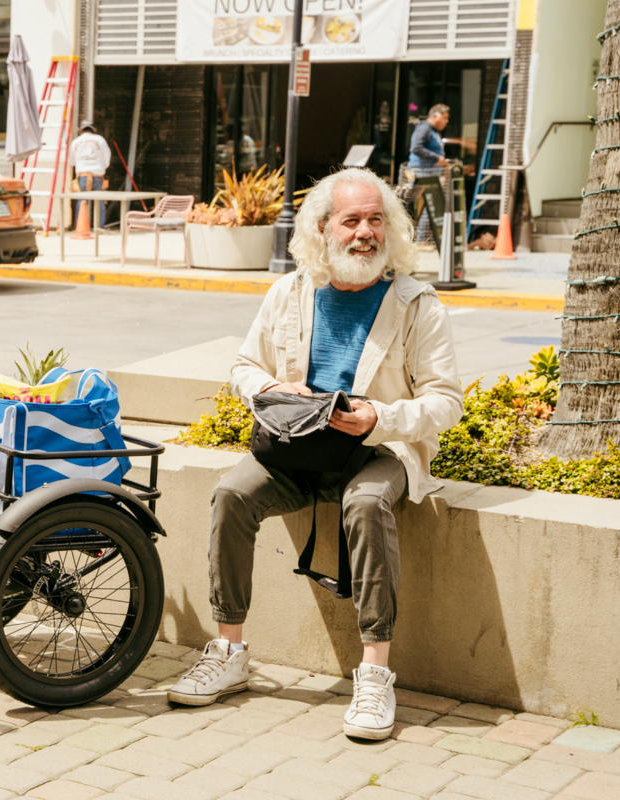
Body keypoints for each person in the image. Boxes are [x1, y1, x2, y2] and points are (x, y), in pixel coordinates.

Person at [166, 168, 464, 741]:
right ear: (323, 228)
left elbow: (446, 401)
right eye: (351, 220)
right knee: (231, 494)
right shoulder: (291, 291)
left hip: (378, 449)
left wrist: (380, 416)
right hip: (296, 446)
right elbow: (244, 367)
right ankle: (230, 651)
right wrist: (276, 391)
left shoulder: (417, 303)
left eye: (376, 220)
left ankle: (375, 675)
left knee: (367, 504)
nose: (365, 233)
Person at [407, 104, 450, 245]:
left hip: (429, 173)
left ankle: (421, 240)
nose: (446, 121)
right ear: (435, 116)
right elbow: (416, 148)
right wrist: (437, 158)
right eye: (445, 118)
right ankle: (419, 241)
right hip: (422, 172)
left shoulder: (433, 131)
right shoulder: (424, 128)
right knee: (421, 206)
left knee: (428, 206)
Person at [68, 121, 111, 230]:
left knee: (82, 201)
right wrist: (101, 167)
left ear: (81, 130)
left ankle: (80, 228)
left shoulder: (76, 141)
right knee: (100, 201)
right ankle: (100, 227)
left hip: (83, 175)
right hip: (98, 175)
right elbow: (107, 157)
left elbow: (71, 161)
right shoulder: (100, 139)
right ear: (93, 129)